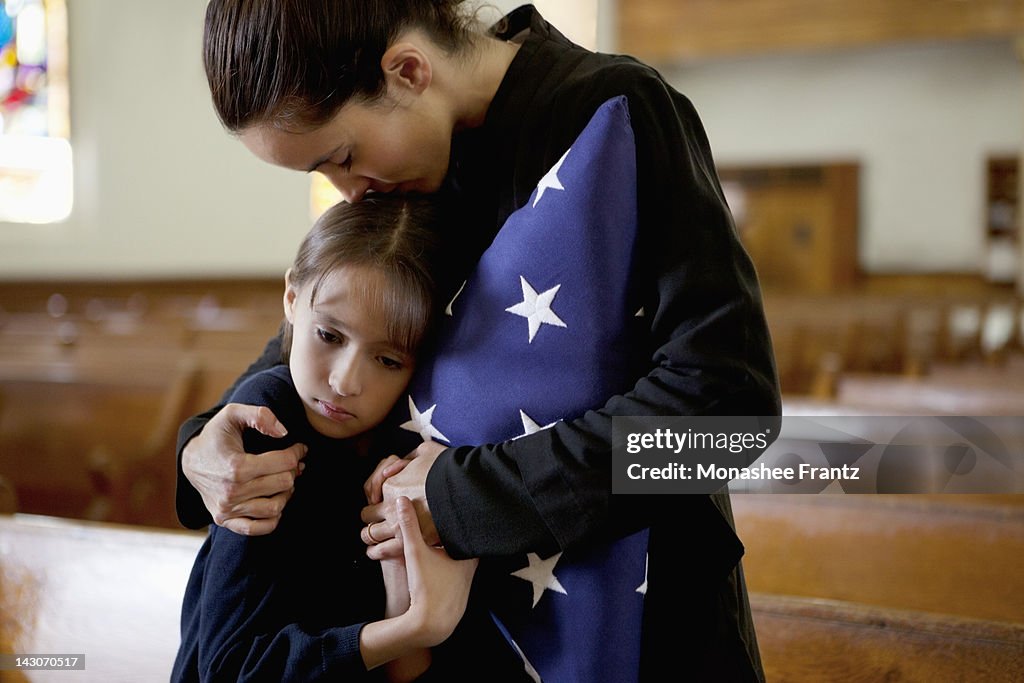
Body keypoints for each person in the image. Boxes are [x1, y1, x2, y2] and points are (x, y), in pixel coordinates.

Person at [179, 2, 781, 680]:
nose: (347, 195)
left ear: (408, 70)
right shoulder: (402, 171)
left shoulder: (613, 113)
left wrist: (463, 496)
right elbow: (302, 359)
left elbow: (729, 419)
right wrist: (204, 445)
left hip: (642, 631)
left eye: (342, 158)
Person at [171, 196, 521, 682]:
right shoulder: (271, 423)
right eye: (330, 336)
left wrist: (402, 600)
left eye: (388, 360)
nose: (344, 382)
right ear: (292, 299)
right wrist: (415, 626)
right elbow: (230, 671)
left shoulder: (411, 446)